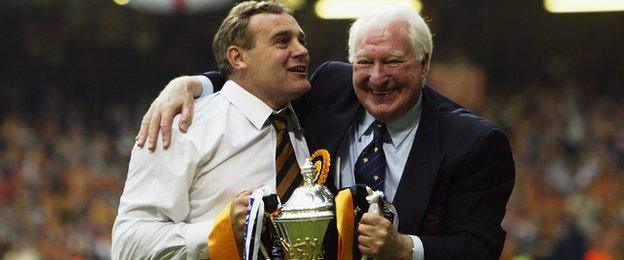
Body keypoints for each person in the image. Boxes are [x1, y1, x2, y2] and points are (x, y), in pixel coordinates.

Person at [137, 7, 515, 260]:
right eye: (365, 62)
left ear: (424, 63)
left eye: (394, 62)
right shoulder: (331, 86)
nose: (378, 77)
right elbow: (253, 78)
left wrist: (404, 248)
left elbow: (479, 247)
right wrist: (192, 83)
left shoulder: (474, 143)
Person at [112, 1, 312, 259]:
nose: (302, 51)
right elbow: (128, 245)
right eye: (283, 41)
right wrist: (220, 231)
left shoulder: (313, 114)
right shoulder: (181, 125)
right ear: (238, 57)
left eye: (301, 41)